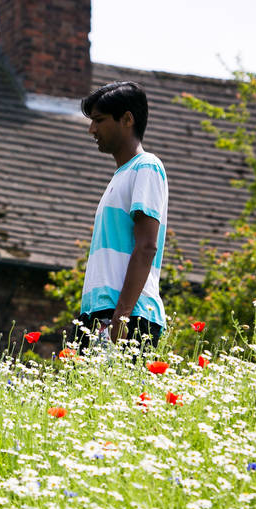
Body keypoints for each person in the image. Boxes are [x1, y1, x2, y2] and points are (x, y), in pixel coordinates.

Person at [77, 81, 168, 348]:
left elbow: (147, 246)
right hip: (103, 313)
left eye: (99, 120)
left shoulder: (147, 167)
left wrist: (122, 317)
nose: (91, 129)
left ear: (127, 119)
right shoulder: (123, 174)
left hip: (126, 318)